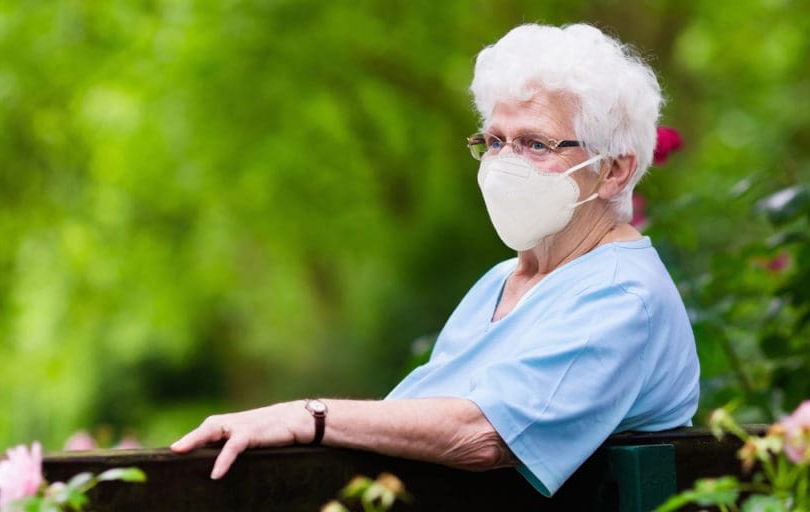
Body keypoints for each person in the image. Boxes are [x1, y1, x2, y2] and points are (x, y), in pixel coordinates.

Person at [171, 22, 700, 497]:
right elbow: (411, 420)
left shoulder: (622, 297)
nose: (504, 164)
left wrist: (307, 415)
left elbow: (482, 434)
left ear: (613, 171)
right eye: (494, 141)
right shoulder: (502, 281)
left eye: (535, 144)